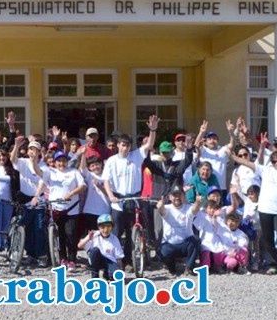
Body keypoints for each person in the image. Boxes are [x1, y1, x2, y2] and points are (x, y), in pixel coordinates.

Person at [231, 136, 277, 275]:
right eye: (274, 161)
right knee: (268, 238)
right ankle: (273, 264)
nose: (276, 163)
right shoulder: (265, 170)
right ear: (271, 161)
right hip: (265, 210)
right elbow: (245, 162)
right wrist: (232, 155)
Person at [103, 115, 160, 271]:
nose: (125, 148)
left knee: (132, 231)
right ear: (118, 145)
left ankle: (129, 260)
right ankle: (113, 261)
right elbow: (106, 181)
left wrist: (153, 129)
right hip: (118, 199)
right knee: (115, 232)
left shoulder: (136, 155)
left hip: (134, 198)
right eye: (123, 145)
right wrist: (111, 196)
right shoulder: (111, 161)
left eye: (128, 145)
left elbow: (149, 144)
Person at [33, 151, 86, 272]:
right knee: (60, 235)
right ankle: (63, 258)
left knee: (71, 234)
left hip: (71, 208)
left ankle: (72, 260)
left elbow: (82, 186)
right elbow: (38, 172)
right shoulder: (50, 172)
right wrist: (34, 159)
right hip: (56, 208)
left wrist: (71, 194)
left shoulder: (74, 172)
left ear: (67, 161)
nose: (61, 163)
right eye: (59, 161)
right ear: (55, 162)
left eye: (63, 161)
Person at [11, 136, 48, 267]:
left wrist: (36, 197)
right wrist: (16, 145)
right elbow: (12, 159)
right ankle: (30, 254)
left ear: (39, 152)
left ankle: (41, 255)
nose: (32, 151)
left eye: (35, 149)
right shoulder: (23, 162)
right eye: (30, 149)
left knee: (38, 229)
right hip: (25, 200)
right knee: (25, 228)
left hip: (38, 201)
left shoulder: (44, 166)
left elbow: (42, 182)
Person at [157, 185, 203, 276]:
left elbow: (194, 209)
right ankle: (172, 268)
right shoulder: (167, 208)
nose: (177, 198)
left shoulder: (188, 207)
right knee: (162, 251)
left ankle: (189, 268)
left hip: (185, 245)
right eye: (174, 195)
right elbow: (162, 211)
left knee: (196, 240)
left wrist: (198, 202)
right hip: (170, 244)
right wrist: (160, 206)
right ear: (170, 197)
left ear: (183, 196)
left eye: (179, 195)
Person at [194, 120, 235, 201]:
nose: (212, 141)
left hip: (221, 186)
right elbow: (196, 145)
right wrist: (201, 132)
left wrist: (231, 133)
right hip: (206, 185)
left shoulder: (223, 150)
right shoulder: (203, 150)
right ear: (205, 141)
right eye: (210, 139)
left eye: (215, 138)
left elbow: (232, 145)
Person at [78, 214, 124, 280]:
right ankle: (95, 276)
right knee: (94, 250)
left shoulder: (114, 239)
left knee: (116, 277)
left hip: (109, 260)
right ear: (99, 227)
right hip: (96, 259)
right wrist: (88, 238)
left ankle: (107, 274)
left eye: (109, 227)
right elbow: (79, 245)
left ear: (112, 227)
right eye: (103, 227)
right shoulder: (94, 234)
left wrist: (121, 271)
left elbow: (118, 258)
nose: (105, 230)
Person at [0, 149, 18, 252]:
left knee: (6, 224)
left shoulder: (11, 170)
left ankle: (4, 243)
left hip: (8, 200)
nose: (2, 158)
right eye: (0, 156)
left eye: (4, 156)